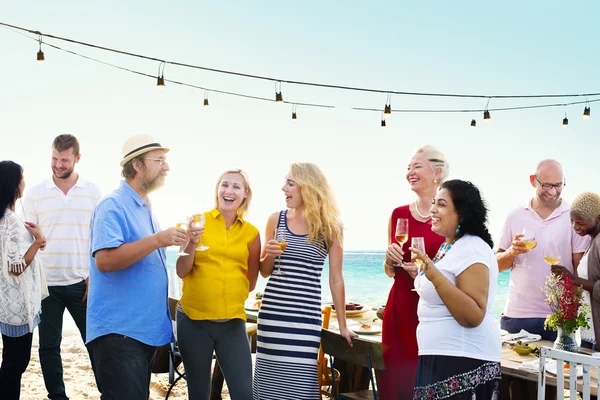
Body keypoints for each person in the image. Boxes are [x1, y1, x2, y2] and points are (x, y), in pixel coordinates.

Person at [87, 134, 187, 399]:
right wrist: (157, 239)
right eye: (159, 160)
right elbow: (105, 261)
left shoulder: (144, 206)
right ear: (137, 165)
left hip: (139, 333)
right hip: (119, 333)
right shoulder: (113, 204)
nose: (166, 167)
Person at [253, 162, 357, 400]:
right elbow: (265, 272)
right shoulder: (275, 220)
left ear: (307, 188)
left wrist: (342, 325)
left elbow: (336, 279)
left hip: (305, 320)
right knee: (268, 386)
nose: (283, 188)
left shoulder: (330, 227)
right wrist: (268, 254)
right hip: (272, 316)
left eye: (290, 183)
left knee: (300, 386)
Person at [22, 134, 102, 400]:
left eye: (64, 160)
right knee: (48, 346)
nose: (58, 164)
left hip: (82, 283)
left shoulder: (93, 193)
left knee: (96, 342)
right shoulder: (35, 194)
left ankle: (107, 391)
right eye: (54, 159)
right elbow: (27, 240)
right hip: (46, 286)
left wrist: (94, 275)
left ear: (77, 159)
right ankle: (57, 396)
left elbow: (99, 237)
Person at [411, 180, 501, 399]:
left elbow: (473, 314)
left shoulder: (472, 247)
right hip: (442, 359)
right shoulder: (449, 246)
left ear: (461, 213)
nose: (432, 209)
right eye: (433, 203)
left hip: (462, 360)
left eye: (441, 204)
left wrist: (434, 276)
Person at [176, 169, 260, 400]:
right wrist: (191, 243)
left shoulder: (251, 233)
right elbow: (182, 271)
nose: (229, 191)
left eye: (236, 186)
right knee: (199, 394)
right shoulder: (196, 222)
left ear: (245, 193)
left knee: (244, 393)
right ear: (217, 190)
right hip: (194, 322)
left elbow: (251, 282)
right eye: (224, 185)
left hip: (231, 324)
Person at [380, 145, 448, 399]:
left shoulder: (449, 217)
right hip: (399, 310)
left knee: (426, 384)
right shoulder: (398, 214)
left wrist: (424, 273)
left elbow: (455, 272)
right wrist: (389, 260)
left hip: (432, 314)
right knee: (396, 385)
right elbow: (389, 272)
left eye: (417, 166)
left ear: (437, 172)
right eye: (408, 167)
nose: (410, 172)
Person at [496, 159, 589, 340]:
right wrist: (512, 252)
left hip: (558, 318)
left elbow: (580, 270)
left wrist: (573, 313)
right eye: (546, 185)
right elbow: (497, 265)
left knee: (557, 369)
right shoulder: (515, 215)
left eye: (558, 185)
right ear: (533, 181)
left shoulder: (572, 216)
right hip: (516, 315)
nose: (552, 191)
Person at [0, 161, 47, 400]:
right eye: (22, 178)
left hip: (11, 303)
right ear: (13, 184)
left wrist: (34, 241)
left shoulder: (9, 218)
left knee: (13, 363)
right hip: (15, 306)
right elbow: (16, 268)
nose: (24, 183)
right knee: (15, 364)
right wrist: (38, 242)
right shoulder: (9, 222)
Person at [551, 191, 600, 350]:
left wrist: (572, 278)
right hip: (590, 331)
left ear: (597, 219)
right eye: (572, 221)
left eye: (580, 223)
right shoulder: (592, 240)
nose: (575, 227)